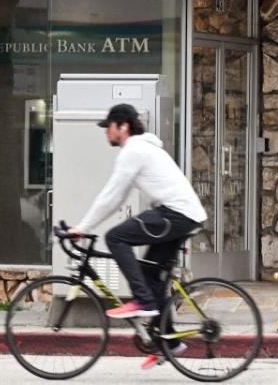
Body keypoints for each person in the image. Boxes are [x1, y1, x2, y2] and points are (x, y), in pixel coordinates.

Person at [67, 103, 206, 369]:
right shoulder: (141, 148)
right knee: (151, 273)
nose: (105, 132)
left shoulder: (134, 150)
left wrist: (83, 227)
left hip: (177, 214)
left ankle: (142, 300)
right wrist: (85, 224)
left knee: (116, 238)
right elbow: (116, 197)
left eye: (108, 126)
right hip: (183, 215)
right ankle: (170, 343)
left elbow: (112, 196)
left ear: (123, 126)